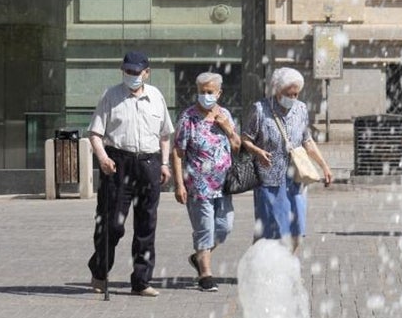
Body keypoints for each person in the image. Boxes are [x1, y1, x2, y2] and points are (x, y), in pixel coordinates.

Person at [87, 51, 174, 297]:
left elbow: (165, 134)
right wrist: (103, 158)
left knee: (146, 224)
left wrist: (165, 164)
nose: (133, 76)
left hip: (149, 162)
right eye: (129, 72)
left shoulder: (156, 96)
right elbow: (95, 133)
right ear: (122, 70)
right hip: (118, 162)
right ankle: (100, 271)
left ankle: (141, 280)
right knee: (112, 224)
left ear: (147, 73)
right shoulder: (110, 96)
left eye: (137, 72)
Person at [241, 67, 333, 254]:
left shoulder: (300, 109)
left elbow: (307, 140)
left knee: (297, 229)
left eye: (295, 94)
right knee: (270, 231)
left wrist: (324, 166)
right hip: (269, 180)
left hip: (296, 178)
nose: (292, 98)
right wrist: (258, 151)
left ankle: (286, 265)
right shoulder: (259, 109)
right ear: (276, 89)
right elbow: (244, 139)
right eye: (288, 94)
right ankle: (261, 267)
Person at [172, 72, 240, 292]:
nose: (205, 96)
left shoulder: (225, 114)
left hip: (224, 185)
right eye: (202, 91)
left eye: (210, 92)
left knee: (224, 227)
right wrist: (179, 184)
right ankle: (205, 275)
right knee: (204, 229)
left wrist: (228, 128)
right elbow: (178, 152)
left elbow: (237, 146)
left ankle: (199, 256)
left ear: (219, 93)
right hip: (198, 185)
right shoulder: (188, 118)